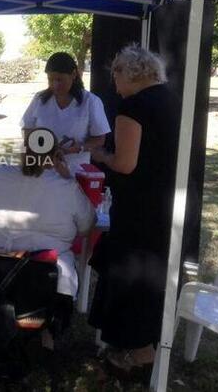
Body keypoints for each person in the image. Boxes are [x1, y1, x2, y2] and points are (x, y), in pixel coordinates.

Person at [88, 45, 180, 378]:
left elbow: (125, 163)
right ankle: (142, 347)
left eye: (116, 73)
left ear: (132, 73)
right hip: (164, 203)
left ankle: (137, 353)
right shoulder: (170, 100)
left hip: (137, 207)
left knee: (131, 277)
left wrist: (102, 156)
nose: (113, 80)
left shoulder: (132, 107)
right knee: (150, 277)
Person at [0, 128, 95, 347]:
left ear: (22, 151)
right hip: (40, 287)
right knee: (59, 277)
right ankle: (45, 333)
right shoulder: (66, 187)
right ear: (55, 156)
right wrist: (66, 177)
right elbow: (87, 226)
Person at [21, 52, 110, 174]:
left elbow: (100, 139)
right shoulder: (40, 99)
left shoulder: (91, 102)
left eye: (59, 79)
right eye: (50, 79)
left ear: (73, 74)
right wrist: (42, 150)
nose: (55, 85)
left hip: (76, 173)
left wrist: (78, 148)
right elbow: (27, 129)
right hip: (42, 172)